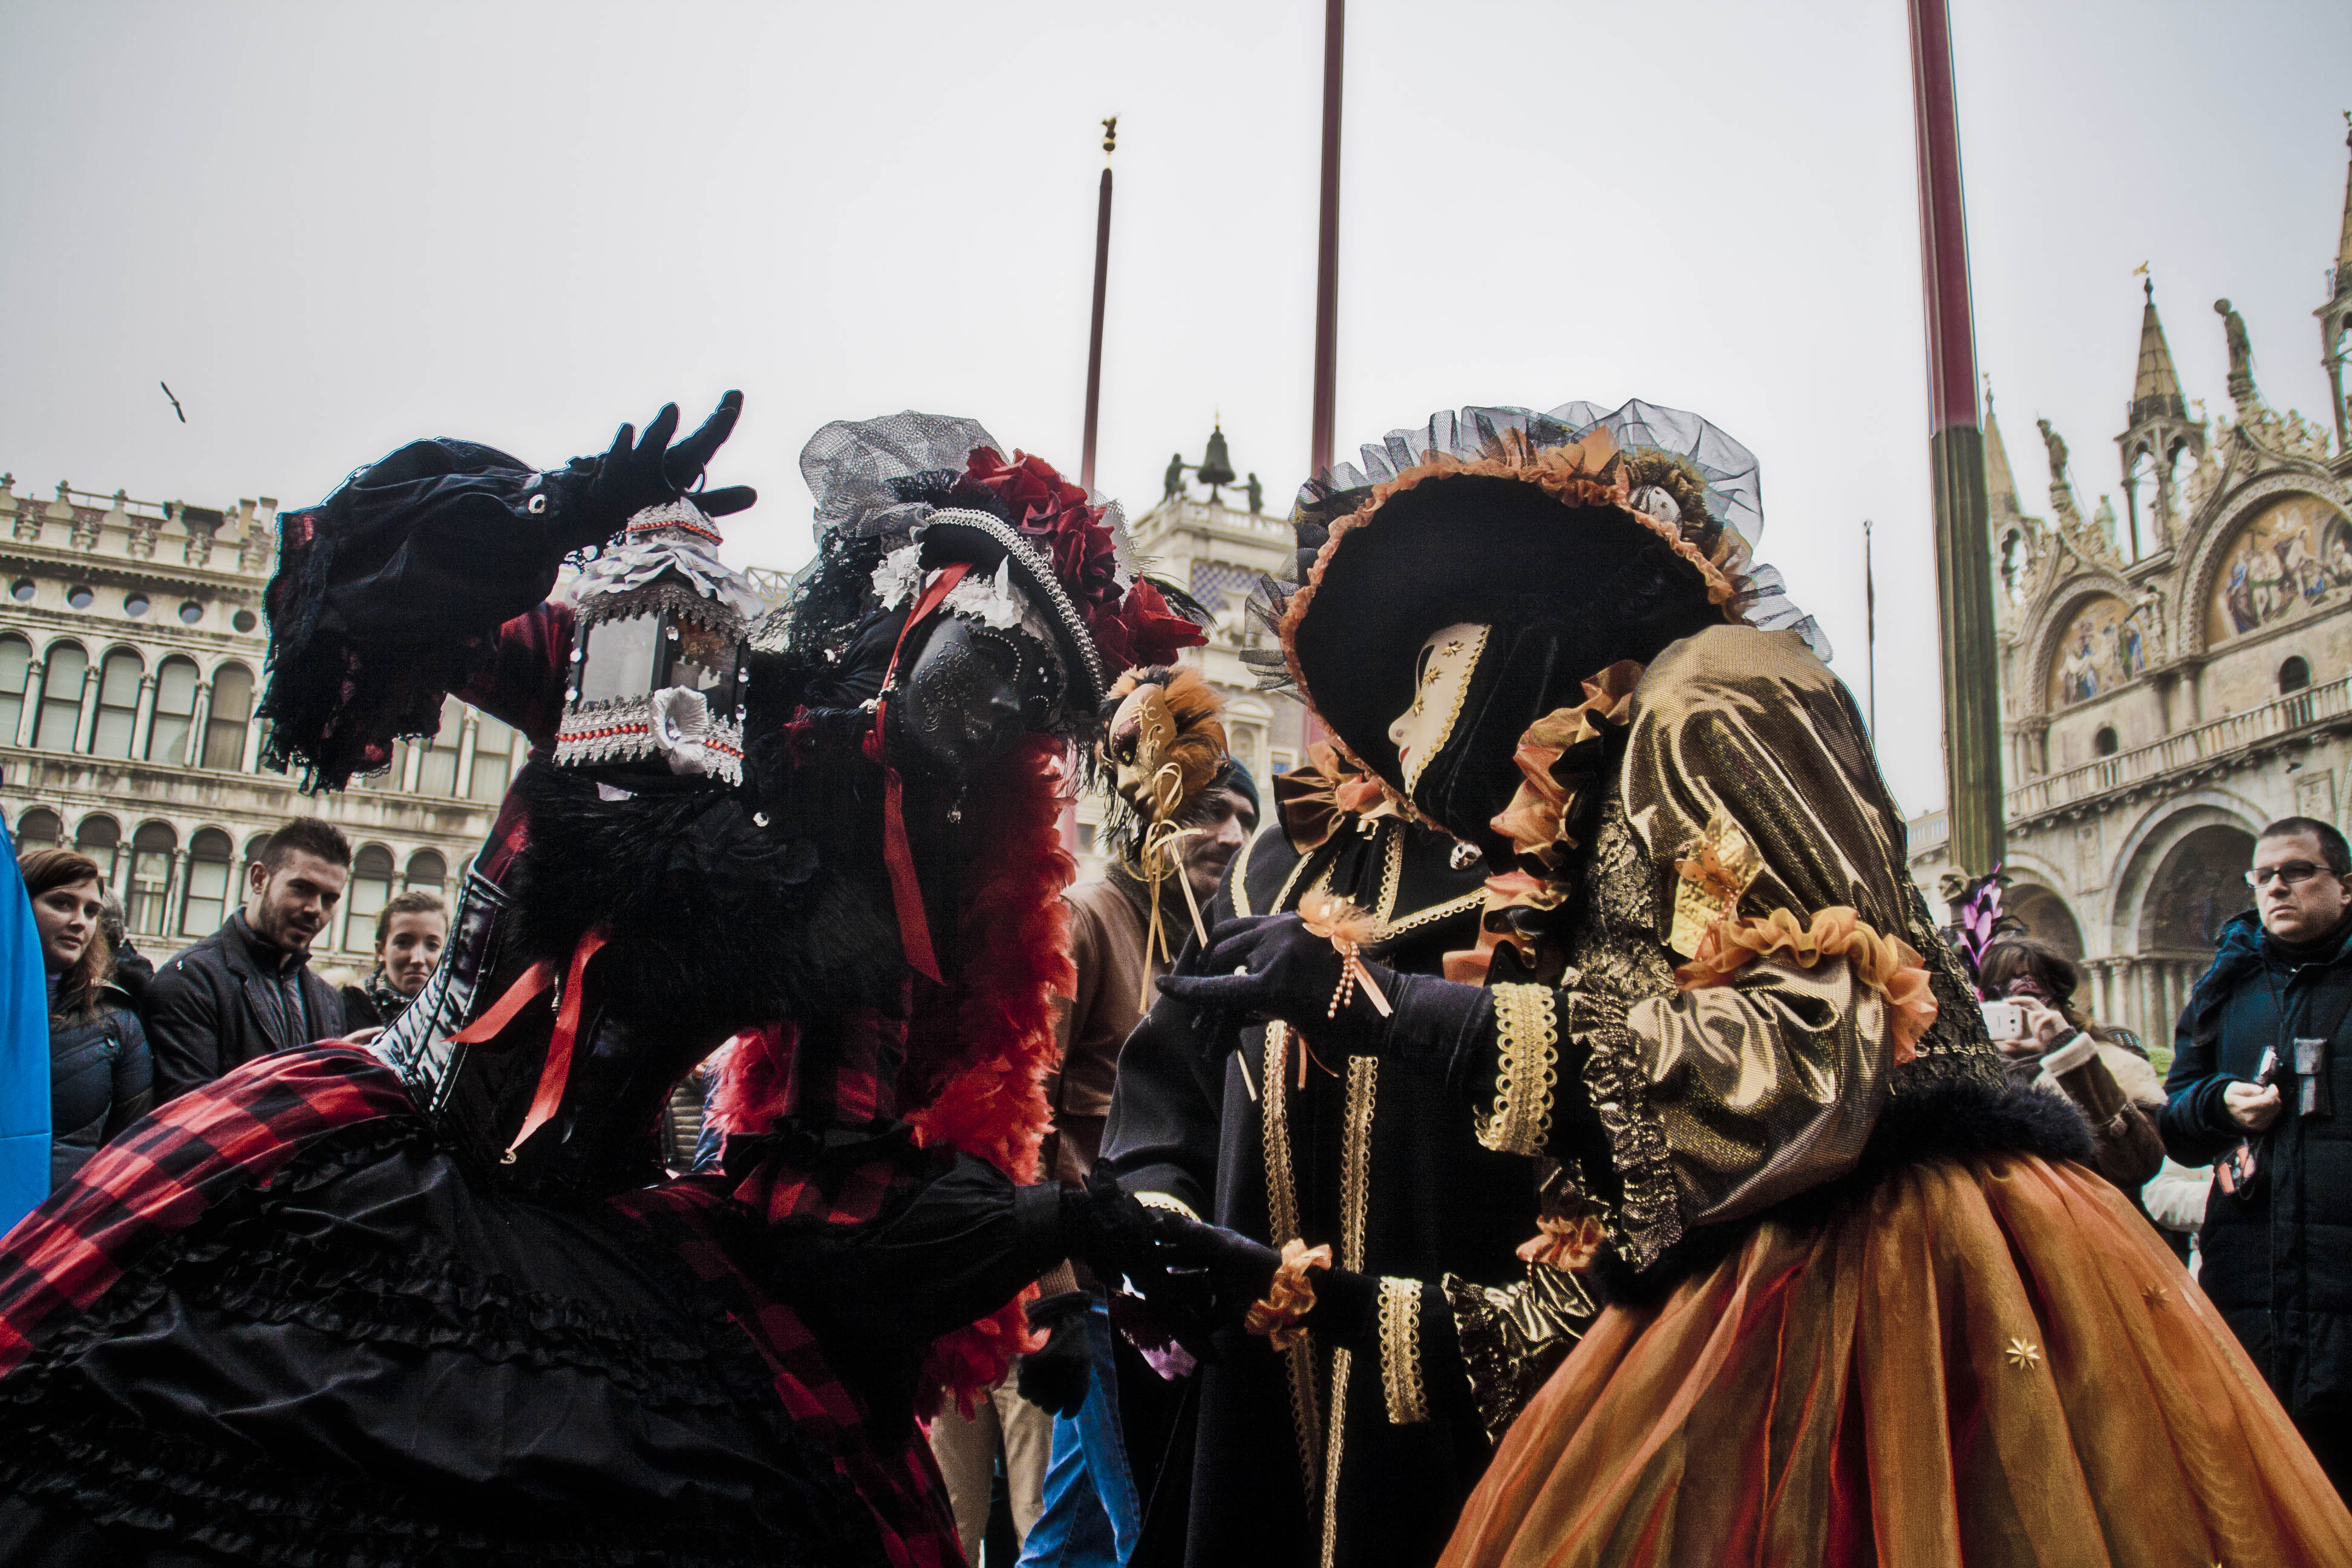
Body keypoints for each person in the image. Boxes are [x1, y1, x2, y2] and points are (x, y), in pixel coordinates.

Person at [0, 397, 1218, 1567]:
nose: (997, 700)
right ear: (911, 603)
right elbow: (373, 601)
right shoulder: (657, 667)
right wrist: (547, 514)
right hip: (356, 1165)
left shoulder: (869, 891)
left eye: (1035, 691)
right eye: (993, 642)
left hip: (593, 1253)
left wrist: (1055, 1227)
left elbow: (813, 1187)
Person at [1144, 401, 2351, 1563]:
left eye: (1425, 675)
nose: (1404, 742)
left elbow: (1811, 1064)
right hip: (1756, 1297)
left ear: (1516, 619)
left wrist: (1402, 1012)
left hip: (1889, 1294)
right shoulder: (1594, 816)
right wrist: (1330, 1308)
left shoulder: (1710, 690)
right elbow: (1632, 1236)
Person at [1014, 672, 1256, 1568]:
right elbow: (1024, 1120)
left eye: (1240, 814)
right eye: (1205, 812)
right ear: (1145, 812)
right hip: (1107, 1296)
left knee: (1073, 1537)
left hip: (1176, 1289)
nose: (1229, 834)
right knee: (1146, 1537)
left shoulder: (1210, 940)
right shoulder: (1084, 920)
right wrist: (1058, 1301)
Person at [2161, 815, 2352, 1498]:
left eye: (2297, 872)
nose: (2277, 887)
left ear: (2346, 887)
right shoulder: (2224, 987)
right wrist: (2219, 1104)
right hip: (2252, 1292)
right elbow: (2177, 1123)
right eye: (2263, 876)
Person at [143, 816, 349, 1100]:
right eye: (302, 888)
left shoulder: (327, 1000)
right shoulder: (190, 980)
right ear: (259, 879)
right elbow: (191, 1114)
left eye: (329, 899)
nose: (315, 909)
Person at [1977, 933, 2166, 1201]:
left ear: (2057, 991)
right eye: (2000, 990)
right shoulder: (1973, 1062)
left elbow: (2135, 1163)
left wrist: (2066, 1051)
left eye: (2029, 991)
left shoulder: (2112, 1052)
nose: (2015, 988)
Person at [21, 847, 151, 1191]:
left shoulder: (117, 1021)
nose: (80, 921)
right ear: (17, 905)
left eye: (91, 910)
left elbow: (131, 1148)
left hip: (60, 1229)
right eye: (62, 903)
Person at [338, 888, 448, 1031]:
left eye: (432, 946)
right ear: (381, 949)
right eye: (403, 943)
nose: (418, 959)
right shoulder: (342, 1009)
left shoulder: (459, 1016)